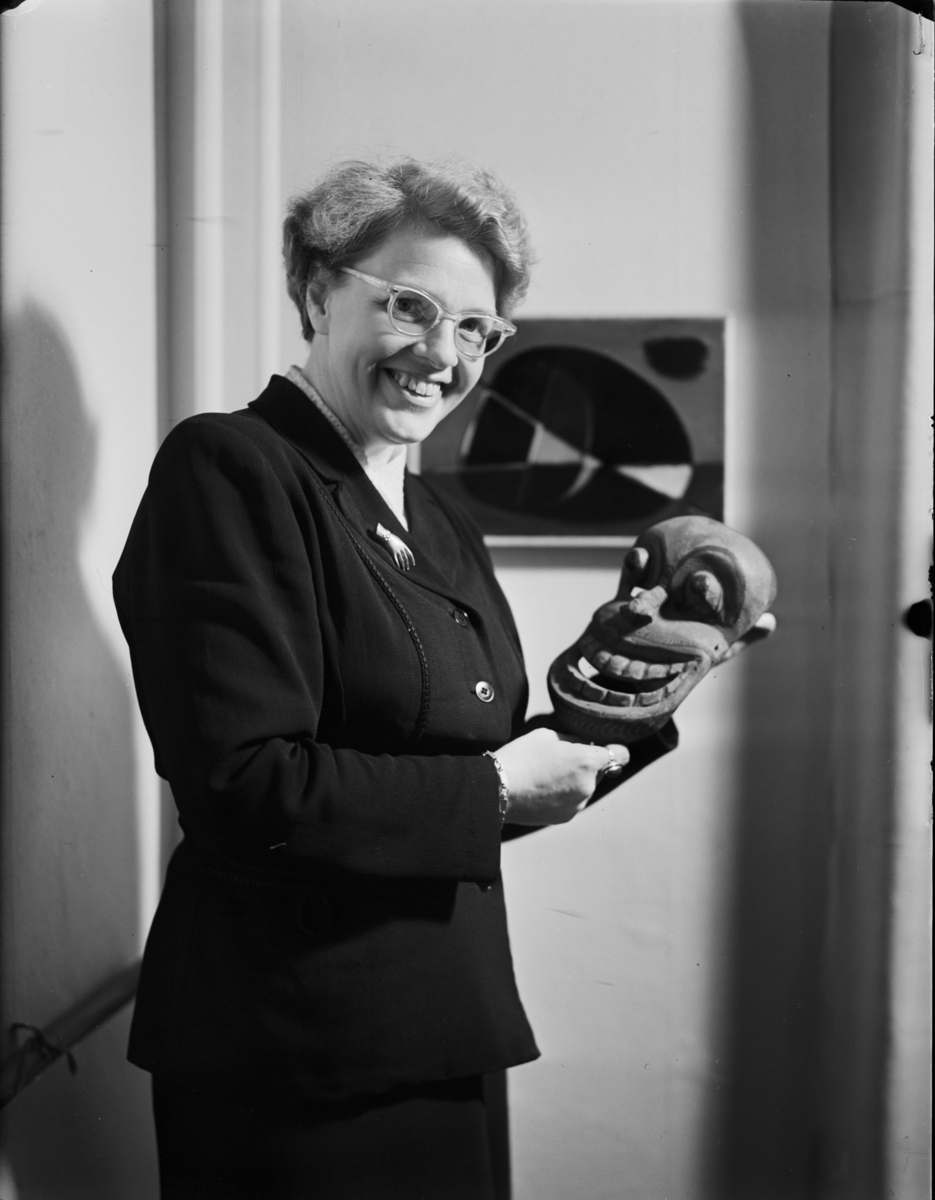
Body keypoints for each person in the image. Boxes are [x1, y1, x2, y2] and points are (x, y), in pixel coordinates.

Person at [114, 158, 677, 1200]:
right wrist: (498, 788)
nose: (442, 354)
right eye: (409, 307)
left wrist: (632, 694)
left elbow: (456, 778)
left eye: (476, 329)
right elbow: (244, 783)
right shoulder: (231, 466)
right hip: (292, 1049)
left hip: (441, 1023)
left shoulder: (439, 519)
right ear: (317, 292)